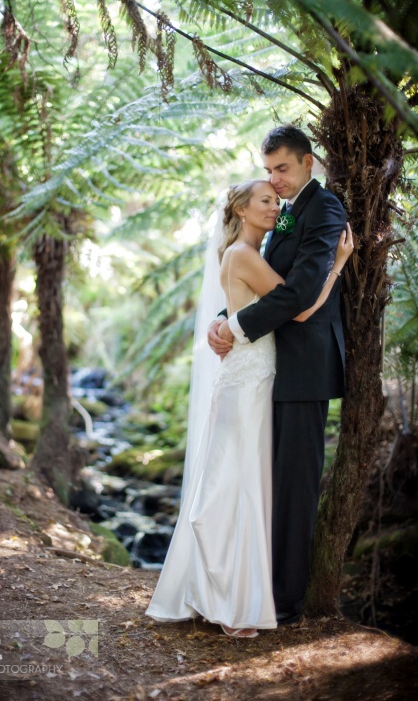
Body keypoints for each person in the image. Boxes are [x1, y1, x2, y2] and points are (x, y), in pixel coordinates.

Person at [146, 178, 353, 637]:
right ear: (240, 209)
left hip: (255, 378)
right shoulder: (243, 255)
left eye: (277, 201)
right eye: (265, 199)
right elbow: (299, 308)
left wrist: (227, 323)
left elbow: (248, 307)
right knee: (235, 484)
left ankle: (216, 592)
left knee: (241, 483)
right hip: (250, 380)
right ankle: (228, 599)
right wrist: (336, 266)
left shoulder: (252, 253)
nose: (275, 205)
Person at [209, 126, 348, 624]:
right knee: (269, 482)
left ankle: (286, 602)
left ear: (308, 162)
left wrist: (237, 327)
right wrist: (226, 320)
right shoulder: (284, 214)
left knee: (295, 485)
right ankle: (258, 584)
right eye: (268, 171)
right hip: (270, 366)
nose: (275, 179)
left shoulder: (326, 209)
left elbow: (299, 295)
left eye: (282, 168)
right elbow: (264, 289)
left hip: (305, 367)